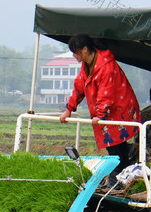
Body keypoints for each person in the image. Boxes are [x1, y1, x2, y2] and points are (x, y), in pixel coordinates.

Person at [58, 35, 141, 183]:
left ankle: (115, 183)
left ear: (84, 49)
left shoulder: (106, 66)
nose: (74, 55)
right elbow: (79, 87)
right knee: (117, 150)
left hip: (117, 111)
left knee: (116, 152)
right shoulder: (87, 65)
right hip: (105, 114)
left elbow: (106, 93)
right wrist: (69, 109)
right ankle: (121, 178)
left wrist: (100, 115)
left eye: (75, 52)